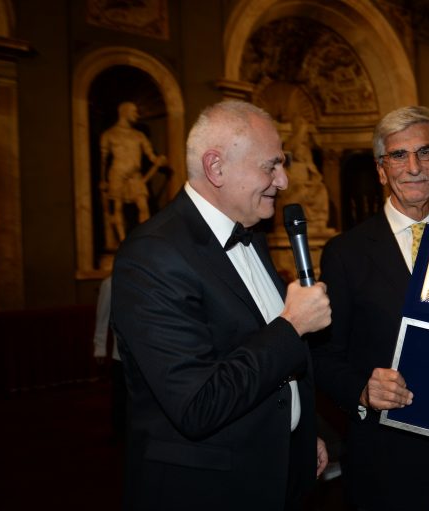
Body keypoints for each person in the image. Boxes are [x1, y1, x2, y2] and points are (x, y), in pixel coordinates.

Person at [111, 100, 331, 511]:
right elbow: (198, 404)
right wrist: (292, 325)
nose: (283, 181)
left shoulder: (251, 235)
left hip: (274, 473)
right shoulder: (152, 255)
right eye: (271, 166)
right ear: (215, 167)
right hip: (206, 490)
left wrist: (302, 432)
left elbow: (264, 359)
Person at [311, 106, 429, 511]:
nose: (414, 167)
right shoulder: (345, 253)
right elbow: (323, 357)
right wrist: (362, 389)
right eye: (398, 155)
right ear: (381, 170)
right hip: (388, 459)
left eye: (425, 152)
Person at [100, 101, 167, 249]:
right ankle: (122, 242)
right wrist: (103, 180)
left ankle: (144, 240)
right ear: (124, 112)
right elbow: (103, 160)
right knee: (117, 208)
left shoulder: (139, 136)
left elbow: (151, 155)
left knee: (143, 206)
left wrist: (159, 160)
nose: (137, 115)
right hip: (117, 174)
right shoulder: (109, 134)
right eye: (134, 112)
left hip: (135, 176)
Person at [92, 274, 126, 441]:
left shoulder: (145, 279)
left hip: (144, 356)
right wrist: (99, 347)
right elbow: (102, 317)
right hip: (119, 355)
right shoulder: (110, 283)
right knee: (120, 400)